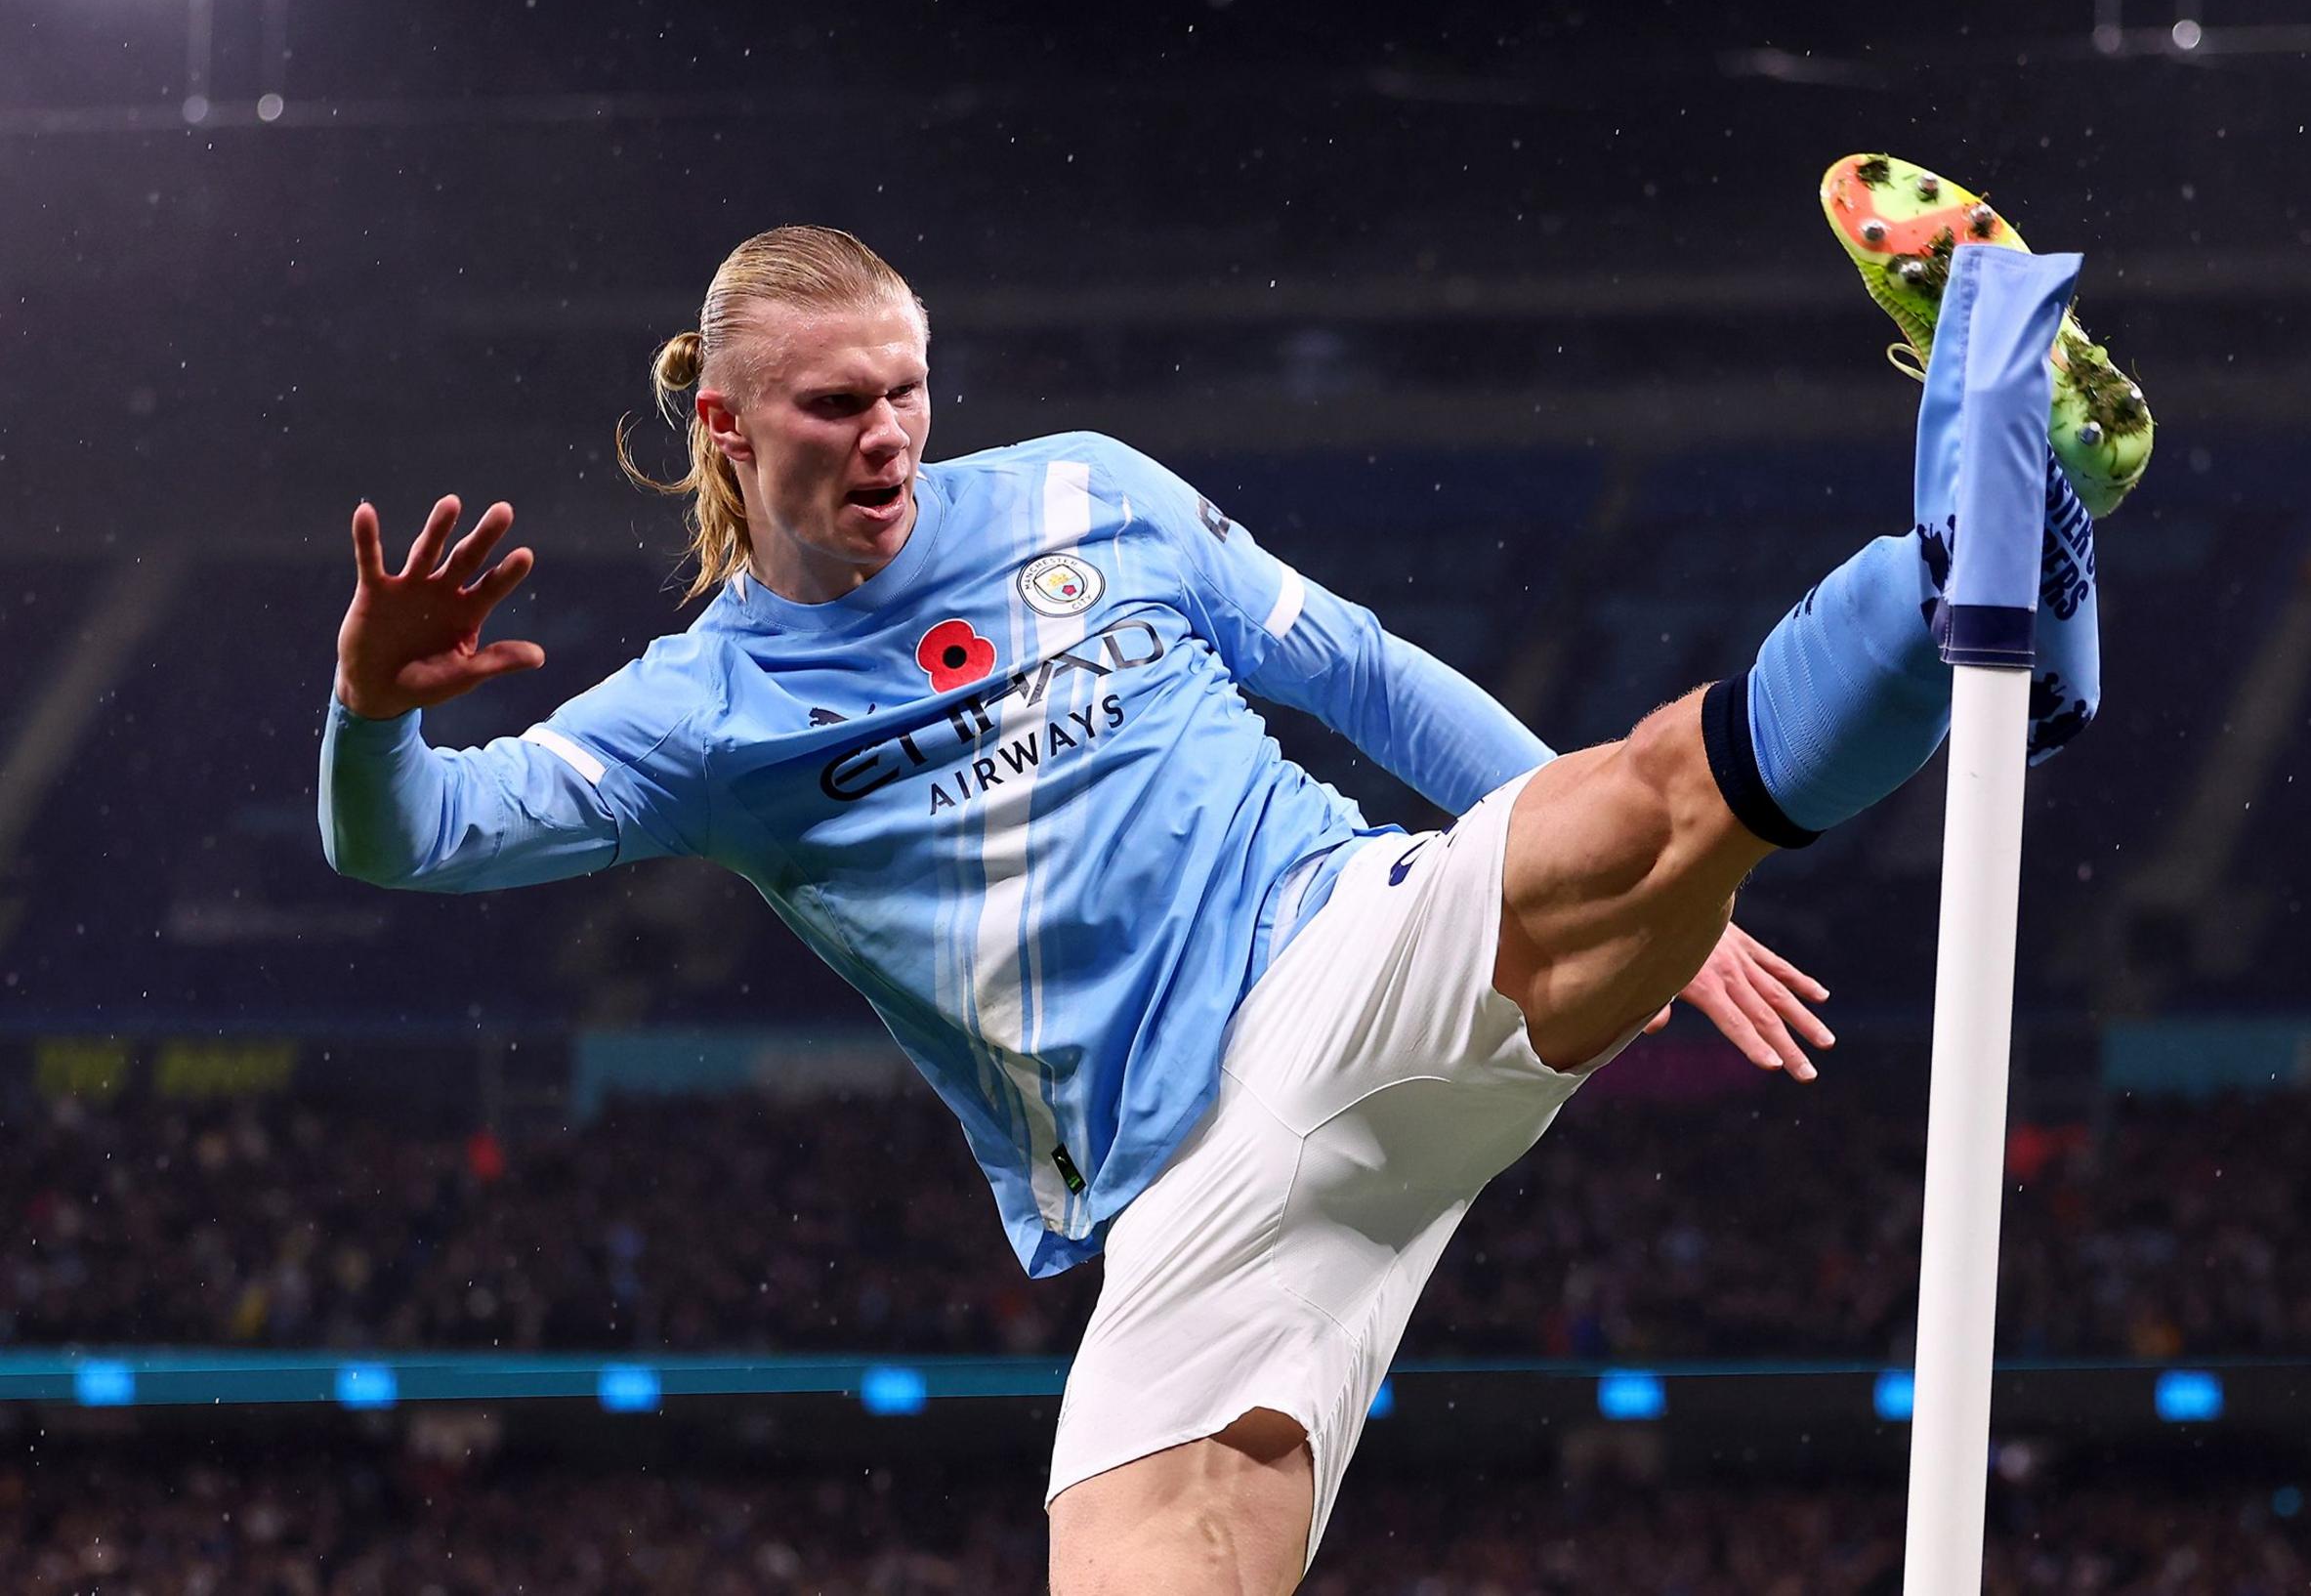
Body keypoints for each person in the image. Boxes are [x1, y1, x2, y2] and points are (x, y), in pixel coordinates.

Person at [322, 158, 2147, 1593]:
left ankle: (1974, 536)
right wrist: (367, 713)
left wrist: (1677, 898)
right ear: (727, 428)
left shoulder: (1085, 495)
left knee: (1664, 796)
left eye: (907, 394)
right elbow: (411, 841)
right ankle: (1990, 585)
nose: (886, 437)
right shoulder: (700, 712)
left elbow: (1355, 673)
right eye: (831, 410)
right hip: (1188, 1197)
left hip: (1339, 960)